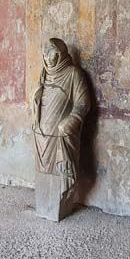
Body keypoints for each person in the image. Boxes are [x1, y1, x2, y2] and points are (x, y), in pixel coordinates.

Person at [31, 38, 90, 198]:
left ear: (62, 54)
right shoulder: (44, 73)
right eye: (45, 55)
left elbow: (83, 102)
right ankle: (45, 201)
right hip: (41, 132)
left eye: (52, 54)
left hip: (60, 132)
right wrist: (35, 97)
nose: (48, 59)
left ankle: (61, 201)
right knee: (42, 171)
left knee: (60, 170)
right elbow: (39, 96)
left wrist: (72, 120)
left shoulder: (73, 74)